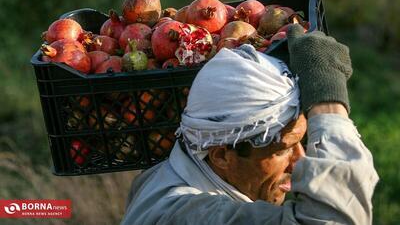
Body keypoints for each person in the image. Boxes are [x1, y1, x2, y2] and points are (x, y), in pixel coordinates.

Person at [120, 24, 379, 225]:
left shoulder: (174, 174)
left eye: (301, 142)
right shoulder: (184, 216)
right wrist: (329, 106)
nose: (301, 160)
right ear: (221, 155)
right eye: (282, 150)